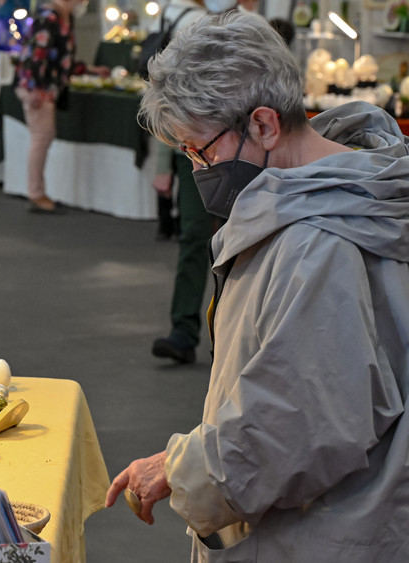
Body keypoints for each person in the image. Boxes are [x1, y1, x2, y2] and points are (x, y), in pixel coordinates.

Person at [106, 11, 409, 560]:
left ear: (265, 125)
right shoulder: (341, 194)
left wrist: (181, 468)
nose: (198, 169)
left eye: (202, 151)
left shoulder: (315, 241)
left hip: (319, 533)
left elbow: (303, 423)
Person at [147, 0, 210, 364]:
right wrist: (164, 162)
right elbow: (168, 98)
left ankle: (237, 339)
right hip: (193, 149)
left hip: (238, 150)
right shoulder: (187, 20)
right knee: (194, 236)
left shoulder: (240, 26)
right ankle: (184, 331)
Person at [13, 0, 91, 213]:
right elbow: (36, 54)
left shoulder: (62, 18)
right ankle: (36, 193)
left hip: (47, 88)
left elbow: (61, 56)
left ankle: (37, 191)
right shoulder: (48, 18)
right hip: (39, 89)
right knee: (41, 138)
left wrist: (87, 69)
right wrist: (34, 88)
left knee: (43, 137)